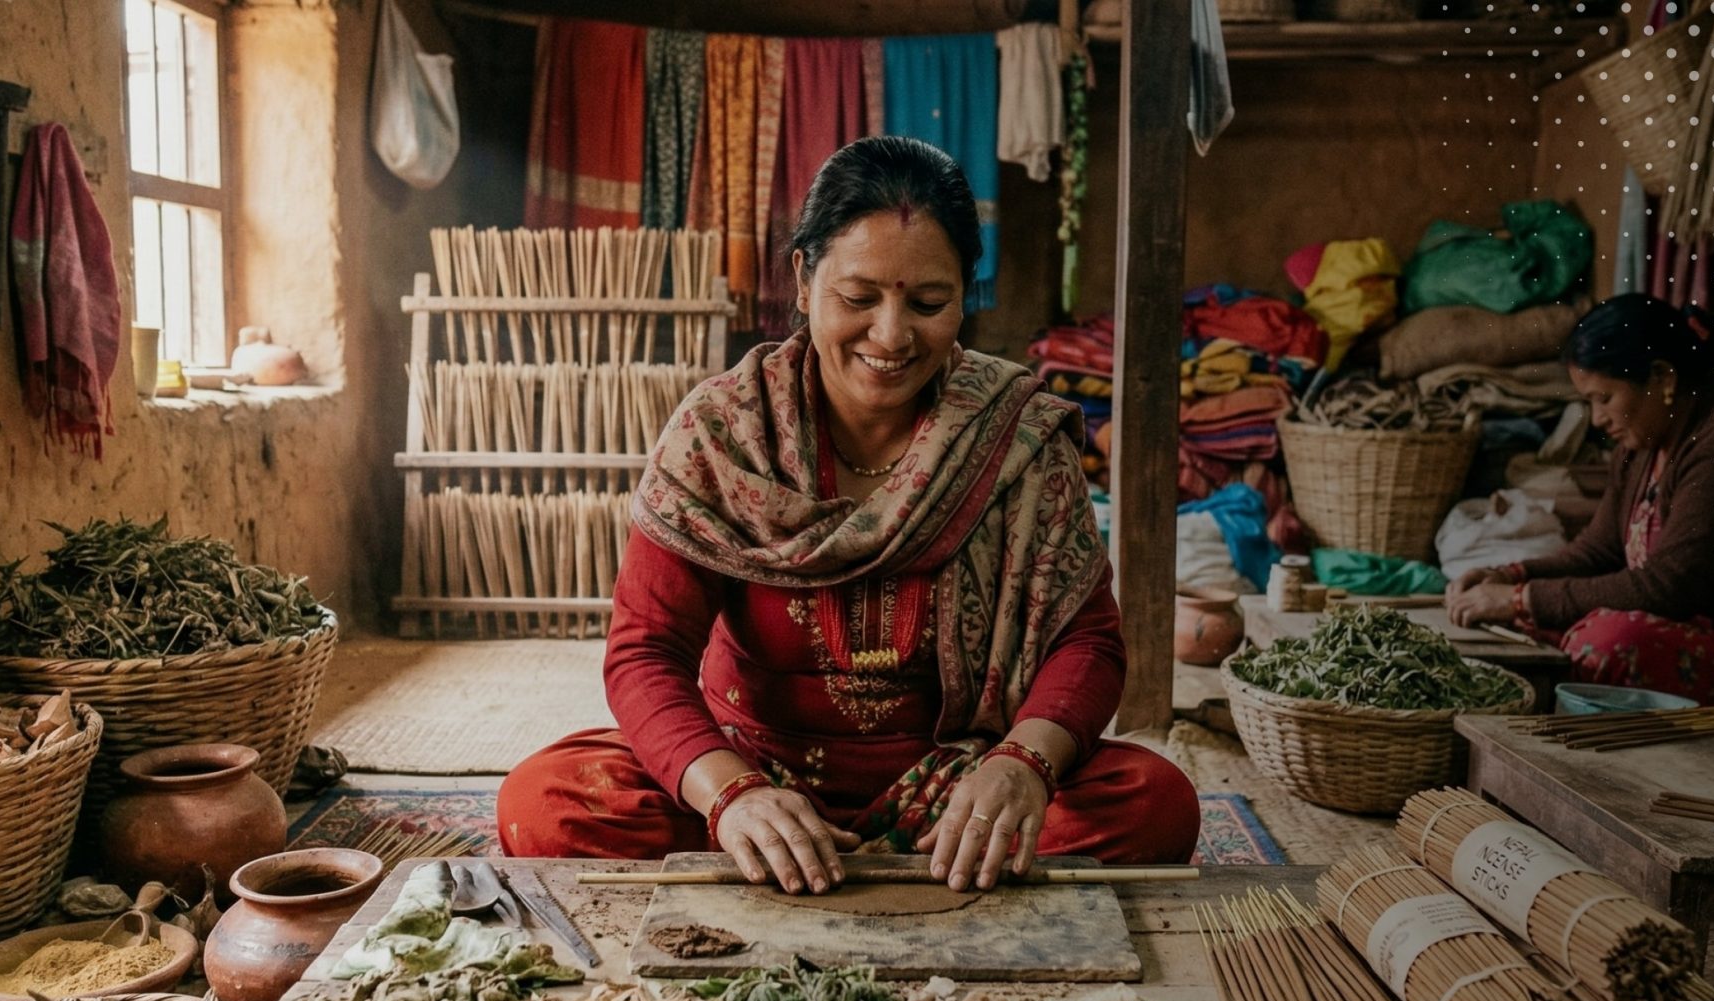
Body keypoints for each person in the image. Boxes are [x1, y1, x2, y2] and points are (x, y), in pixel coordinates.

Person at [499, 137, 1198, 893]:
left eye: (928, 303)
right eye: (859, 299)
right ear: (803, 280)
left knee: (1154, 803)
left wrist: (1021, 765)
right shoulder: (723, 434)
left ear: (967, 292)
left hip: (958, 789)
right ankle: (803, 851)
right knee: (546, 803)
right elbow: (645, 651)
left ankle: (925, 851)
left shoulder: (1016, 435)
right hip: (756, 768)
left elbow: (1086, 641)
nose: (892, 336)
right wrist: (731, 796)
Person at [1445, 294, 1714, 730]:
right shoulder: (1644, 441)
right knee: (1537, 623)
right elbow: (1597, 552)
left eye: (1604, 398)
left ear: (1662, 377)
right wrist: (1507, 577)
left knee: (1605, 643)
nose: (1597, 419)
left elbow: (1670, 587)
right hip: (1707, 630)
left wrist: (1521, 600)